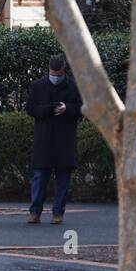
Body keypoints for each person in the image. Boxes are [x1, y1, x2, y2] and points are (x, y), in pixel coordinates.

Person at [25, 54, 83, 225]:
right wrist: (50, 110)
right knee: (40, 178)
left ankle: (58, 213)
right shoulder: (38, 86)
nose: (55, 77)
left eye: (58, 74)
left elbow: (82, 108)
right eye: (53, 74)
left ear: (63, 71)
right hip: (45, 139)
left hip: (65, 139)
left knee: (62, 179)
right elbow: (30, 108)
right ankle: (35, 212)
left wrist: (68, 109)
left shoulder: (73, 87)